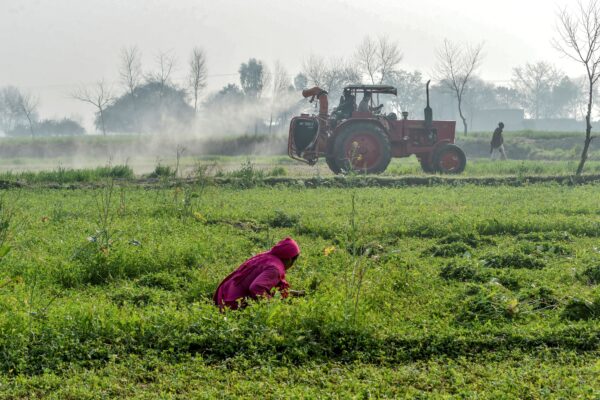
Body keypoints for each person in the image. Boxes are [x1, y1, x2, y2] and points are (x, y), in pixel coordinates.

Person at [213, 237, 303, 311]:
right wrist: (273, 306)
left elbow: (273, 289)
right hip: (231, 305)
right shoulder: (275, 269)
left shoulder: (267, 256)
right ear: (290, 259)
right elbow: (256, 288)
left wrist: (296, 293)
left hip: (223, 293)